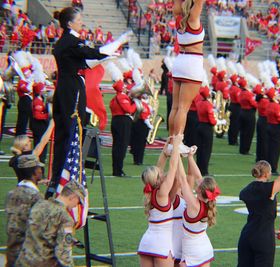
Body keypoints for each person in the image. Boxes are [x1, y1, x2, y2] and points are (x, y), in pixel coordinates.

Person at [48, 7, 131, 198]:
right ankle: (68, 177)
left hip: (63, 88)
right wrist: (119, 41)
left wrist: (106, 57)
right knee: (73, 130)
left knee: (63, 134)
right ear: (70, 23)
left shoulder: (64, 42)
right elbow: (94, 53)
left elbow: (84, 62)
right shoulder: (72, 41)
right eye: (78, 19)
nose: (81, 22)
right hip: (71, 90)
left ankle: (57, 178)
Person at [237, 137, 280, 267]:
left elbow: (259, 213)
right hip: (263, 239)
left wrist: (272, 231)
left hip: (247, 235)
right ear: (267, 174)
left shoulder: (246, 190)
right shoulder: (269, 190)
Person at [16, 180, 86, 266]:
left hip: (23, 261)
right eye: (78, 202)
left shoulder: (40, 204)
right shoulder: (65, 219)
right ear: (72, 197)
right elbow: (63, 253)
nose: (76, 205)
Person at [138, 134, 182, 266]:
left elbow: (158, 169)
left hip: (146, 243)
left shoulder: (151, 192)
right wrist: (176, 146)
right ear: (158, 179)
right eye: (161, 175)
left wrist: (164, 150)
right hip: (161, 244)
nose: (163, 174)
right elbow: (173, 167)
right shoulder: (162, 193)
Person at [170, 0, 205, 139]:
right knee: (183, 109)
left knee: (175, 107)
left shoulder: (178, 17)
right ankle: (177, 141)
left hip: (179, 62)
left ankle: (171, 139)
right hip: (193, 62)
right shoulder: (193, 17)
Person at [177, 154, 219, 267]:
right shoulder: (209, 202)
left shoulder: (194, 204)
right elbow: (198, 175)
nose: (197, 181)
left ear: (200, 189)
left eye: (199, 183)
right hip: (204, 249)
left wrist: (176, 154)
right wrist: (190, 157)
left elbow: (182, 179)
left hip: (192, 252)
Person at [5, 154, 44, 267]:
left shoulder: (11, 194)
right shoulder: (36, 197)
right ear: (34, 172)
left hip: (12, 253)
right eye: (38, 168)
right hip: (28, 256)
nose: (41, 171)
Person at [110, 80, 137, 176]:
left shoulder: (114, 98)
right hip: (122, 122)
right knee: (122, 146)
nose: (126, 88)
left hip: (116, 121)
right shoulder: (122, 97)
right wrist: (136, 103)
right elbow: (129, 110)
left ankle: (116, 169)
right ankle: (118, 170)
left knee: (117, 146)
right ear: (122, 88)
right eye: (124, 87)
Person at [195, 86, 216, 175]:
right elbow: (212, 120)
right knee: (206, 150)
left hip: (199, 126)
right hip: (207, 128)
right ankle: (204, 171)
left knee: (200, 150)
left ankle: (199, 169)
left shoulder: (199, 103)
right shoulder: (208, 104)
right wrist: (217, 121)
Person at [238, 78, 257, 155]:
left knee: (242, 132)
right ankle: (246, 149)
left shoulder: (240, 92)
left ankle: (242, 149)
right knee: (249, 132)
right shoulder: (248, 93)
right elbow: (253, 104)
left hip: (242, 111)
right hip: (249, 113)